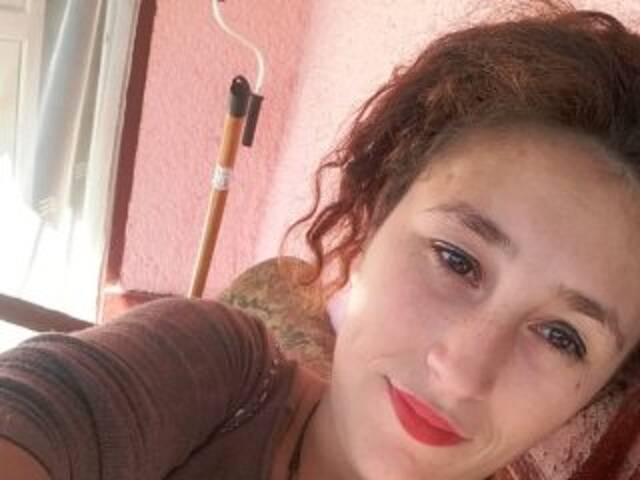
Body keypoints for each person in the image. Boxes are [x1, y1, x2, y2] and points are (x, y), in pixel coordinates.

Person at [2, 1, 640, 479]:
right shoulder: (214, 370)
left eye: (563, 336)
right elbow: (45, 408)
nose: (465, 373)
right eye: (456, 259)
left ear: (595, 393)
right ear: (367, 234)